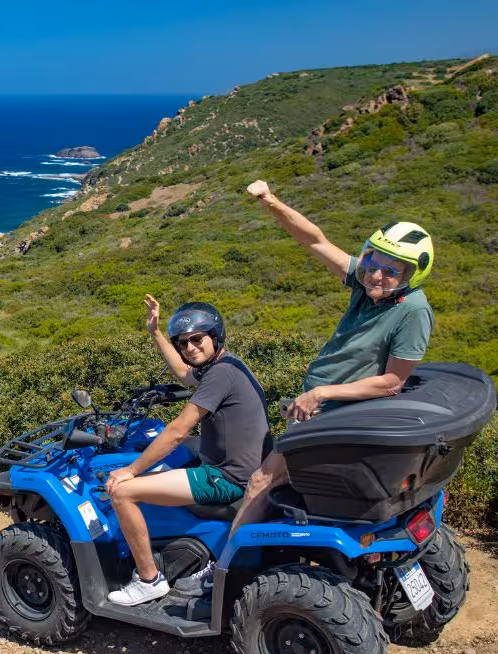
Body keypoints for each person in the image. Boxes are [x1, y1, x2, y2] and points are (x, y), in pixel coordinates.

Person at [175, 179, 436, 599]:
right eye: (374, 261)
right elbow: (315, 241)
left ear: (411, 275)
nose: (377, 273)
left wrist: (321, 394)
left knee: (261, 480)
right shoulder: (368, 288)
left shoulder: (413, 312)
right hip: (319, 410)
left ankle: (220, 572)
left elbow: (392, 382)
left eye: (392, 270)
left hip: (331, 415)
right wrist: (271, 202)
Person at [105, 297, 272, 606]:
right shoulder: (225, 365)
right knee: (176, 455)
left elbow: (178, 430)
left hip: (227, 478)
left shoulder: (220, 374)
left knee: (122, 492)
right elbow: (184, 373)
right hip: (246, 469)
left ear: (215, 336)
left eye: (197, 339)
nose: (190, 347)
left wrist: (130, 470)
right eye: (183, 343)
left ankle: (148, 580)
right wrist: (155, 333)